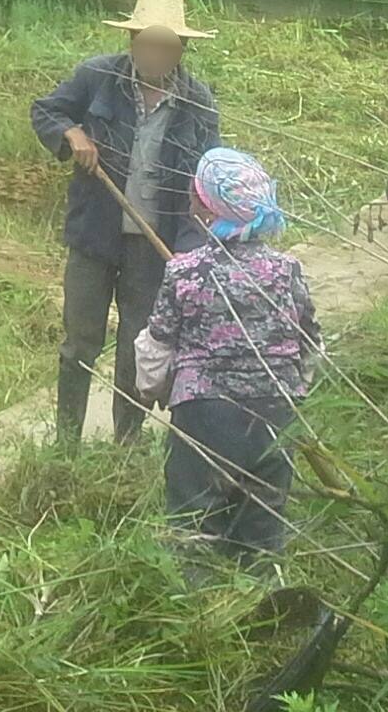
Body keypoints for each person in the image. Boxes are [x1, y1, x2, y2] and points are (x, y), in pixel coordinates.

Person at [30, 0, 222, 446]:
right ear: (133, 41)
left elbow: (208, 179)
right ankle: (66, 441)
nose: (153, 53)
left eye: (165, 46)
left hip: (154, 245)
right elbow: (46, 110)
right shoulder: (97, 76)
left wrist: (193, 250)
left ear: (181, 50)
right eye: (146, 42)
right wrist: (72, 133)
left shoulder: (198, 104)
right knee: (80, 342)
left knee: (138, 346)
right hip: (94, 236)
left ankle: (126, 443)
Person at [135, 148, 321, 574]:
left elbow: (157, 347)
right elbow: (310, 343)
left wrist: (155, 392)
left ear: (207, 208)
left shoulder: (187, 271)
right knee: (263, 526)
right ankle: (262, 611)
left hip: (205, 415)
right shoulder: (286, 270)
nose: (189, 200)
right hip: (275, 412)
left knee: (193, 524)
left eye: (194, 194)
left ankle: (198, 613)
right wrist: (294, 387)